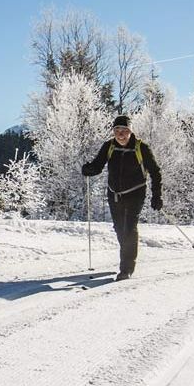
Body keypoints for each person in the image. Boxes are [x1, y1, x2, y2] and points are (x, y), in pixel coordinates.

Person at [81, 115, 163, 280]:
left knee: (129, 228)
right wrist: (89, 169)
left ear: (130, 131)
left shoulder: (141, 148)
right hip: (114, 194)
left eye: (124, 130)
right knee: (119, 229)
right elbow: (98, 165)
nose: (121, 134)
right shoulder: (109, 146)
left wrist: (157, 196)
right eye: (117, 130)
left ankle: (126, 268)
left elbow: (155, 172)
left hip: (136, 193)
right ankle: (126, 258)